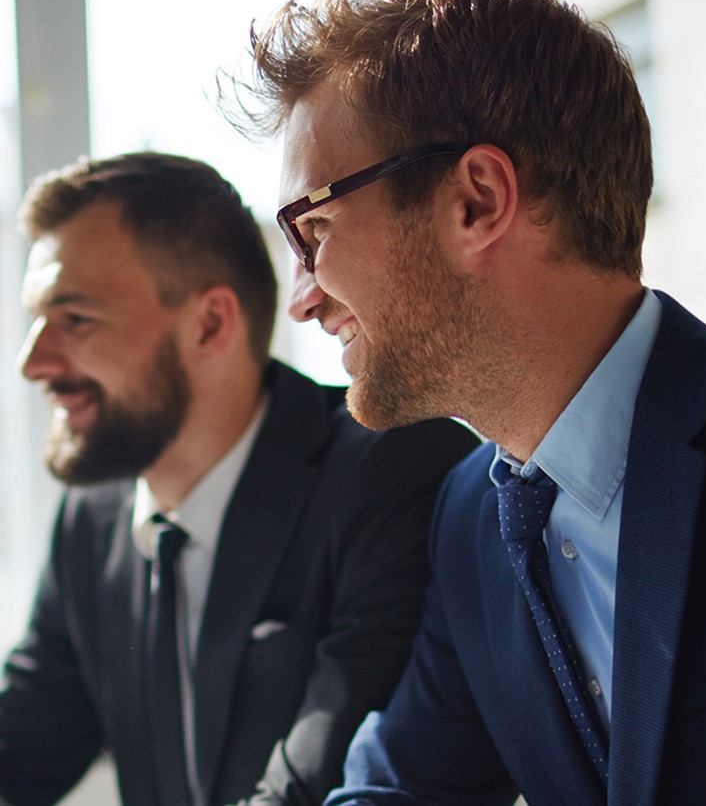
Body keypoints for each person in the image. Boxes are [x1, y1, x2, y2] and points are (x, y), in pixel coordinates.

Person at [232, 0, 706, 806]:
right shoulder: (473, 519)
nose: (302, 301)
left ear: (477, 199)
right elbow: (397, 786)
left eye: (314, 229)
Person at [0, 152, 478, 806]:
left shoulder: (392, 473)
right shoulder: (94, 517)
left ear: (210, 324)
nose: (33, 363)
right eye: (36, 319)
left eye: (76, 319)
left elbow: (322, 786)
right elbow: (22, 745)